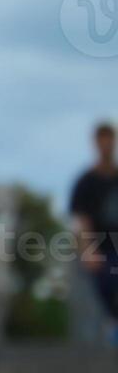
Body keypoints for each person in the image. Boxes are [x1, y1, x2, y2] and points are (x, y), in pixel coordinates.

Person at [70, 122, 118, 341]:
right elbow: (81, 219)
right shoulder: (86, 182)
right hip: (102, 249)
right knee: (107, 278)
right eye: (102, 141)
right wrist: (88, 249)